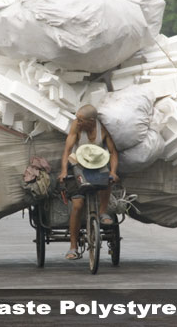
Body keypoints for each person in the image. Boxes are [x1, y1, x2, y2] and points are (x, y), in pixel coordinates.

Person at [58, 104, 119, 260]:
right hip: (78, 163)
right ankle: (73, 247)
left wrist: (113, 172)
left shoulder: (103, 129)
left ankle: (102, 212)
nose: (77, 122)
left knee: (107, 179)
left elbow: (112, 152)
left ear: (91, 121)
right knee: (78, 205)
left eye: (80, 120)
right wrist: (64, 171)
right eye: (77, 119)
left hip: (97, 163)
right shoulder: (76, 127)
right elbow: (67, 150)